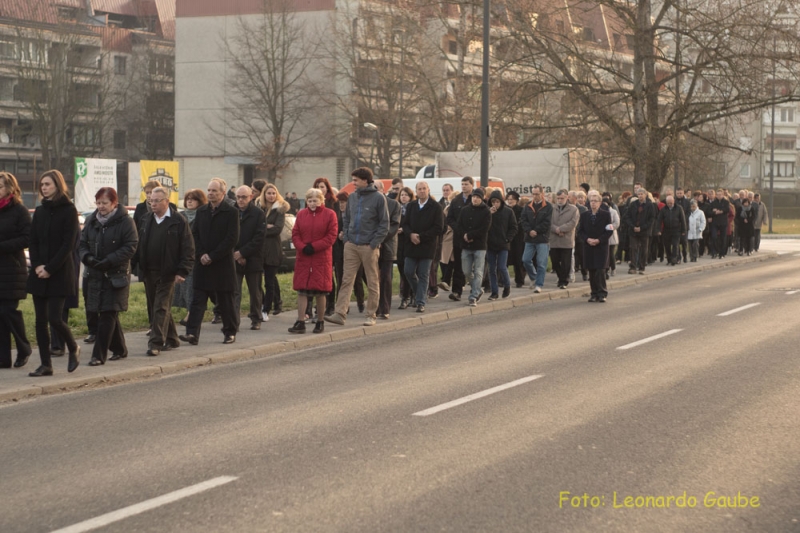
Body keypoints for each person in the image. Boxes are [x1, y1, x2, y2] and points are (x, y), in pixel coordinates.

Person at [26, 170, 81, 376]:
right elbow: (33, 241)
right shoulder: (40, 211)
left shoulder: (69, 210)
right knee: (40, 321)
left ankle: (73, 347)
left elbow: (68, 245)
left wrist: (50, 268)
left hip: (59, 272)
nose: (44, 188)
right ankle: (45, 365)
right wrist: (37, 265)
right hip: (39, 272)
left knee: (55, 318)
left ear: (58, 185)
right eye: (42, 185)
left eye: (47, 184)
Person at [79, 187, 138, 365]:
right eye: (98, 203)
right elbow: (82, 244)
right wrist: (88, 258)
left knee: (108, 313)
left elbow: (131, 246)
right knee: (105, 312)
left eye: (105, 203)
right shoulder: (91, 220)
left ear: (114, 203)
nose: (101, 206)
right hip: (95, 273)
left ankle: (98, 355)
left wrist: (110, 260)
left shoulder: (126, 222)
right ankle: (119, 348)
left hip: (116, 275)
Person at [324, 167, 389, 327]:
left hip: (369, 246)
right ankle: (340, 313)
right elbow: (346, 218)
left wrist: (374, 243)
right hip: (351, 245)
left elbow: (384, 224)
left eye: (355, 180)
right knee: (346, 280)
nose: (353, 183)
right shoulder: (352, 197)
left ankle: (371, 315)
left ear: (365, 180)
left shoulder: (379, 198)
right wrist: (347, 238)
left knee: (372, 281)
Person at [181, 177, 240, 345]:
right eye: (209, 190)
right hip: (203, 263)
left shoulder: (231, 212)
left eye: (214, 190)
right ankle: (192, 333)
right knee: (197, 300)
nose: (210, 193)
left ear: (223, 193)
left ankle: (229, 332)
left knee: (225, 301)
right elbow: (195, 235)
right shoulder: (202, 211)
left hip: (222, 264)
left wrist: (213, 256)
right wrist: (202, 254)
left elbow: (231, 238)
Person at [137, 186, 194, 356]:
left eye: (156, 201)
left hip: (168, 272)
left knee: (160, 307)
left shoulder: (178, 220)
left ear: (166, 201)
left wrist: (182, 271)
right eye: (151, 201)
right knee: (157, 306)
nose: (153, 204)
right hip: (149, 271)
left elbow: (188, 247)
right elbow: (140, 244)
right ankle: (172, 338)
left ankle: (155, 343)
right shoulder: (147, 219)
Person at [289, 188, 338, 334]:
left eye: (315, 201)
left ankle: (320, 321)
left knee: (320, 291)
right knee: (302, 290)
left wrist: (314, 246)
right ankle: (300, 321)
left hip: (321, 257)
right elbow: (295, 233)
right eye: (309, 201)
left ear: (321, 201)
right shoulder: (301, 214)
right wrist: (302, 247)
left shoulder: (330, 214)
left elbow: (331, 236)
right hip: (304, 257)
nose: (312, 204)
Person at [0, 172, 32, 369]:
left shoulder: (19, 210)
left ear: (10, 189)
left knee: (8, 311)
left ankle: (24, 347)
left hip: (12, 269)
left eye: (0, 186)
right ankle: (3, 357)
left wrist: (2, 247)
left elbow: (27, 237)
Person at [401, 181, 444, 312]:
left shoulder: (436, 207)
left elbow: (438, 228)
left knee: (423, 274)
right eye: (419, 189)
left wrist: (421, 236)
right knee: (408, 271)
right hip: (411, 245)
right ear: (416, 191)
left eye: (424, 188)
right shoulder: (411, 206)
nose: (422, 191)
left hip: (427, 245)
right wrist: (411, 235)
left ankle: (420, 302)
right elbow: (405, 224)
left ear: (428, 190)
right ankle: (420, 293)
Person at [233, 185, 266, 330]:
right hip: (234, 257)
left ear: (251, 197)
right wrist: (236, 253)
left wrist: (243, 253)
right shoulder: (231, 212)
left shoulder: (258, 214)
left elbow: (259, 237)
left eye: (244, 197)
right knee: (234, 291)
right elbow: (227, 234)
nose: (240, 200)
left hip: (253, 257)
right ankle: (234, 320)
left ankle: (256, 318)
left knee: (255, 291)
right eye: (238, 197)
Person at [173, 189, 206, 326]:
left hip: (197, 256)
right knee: (185, 286)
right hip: (182, 256)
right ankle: (190, 311)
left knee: (192, 287)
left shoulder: (203, 215)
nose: (190, 201)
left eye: (194, 199)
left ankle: (191, 314)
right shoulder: (180, 216)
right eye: (188, 199)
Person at [456, 187, 492, 307]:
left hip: (479, 245)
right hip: (466, 245)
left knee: (478, 271)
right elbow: (459, 225)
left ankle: (474, 296)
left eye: (477, 197)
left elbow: (485, 228)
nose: (475, 199)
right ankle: (478, 289)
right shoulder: (465, 210)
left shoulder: (486, 211)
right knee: (466, 271)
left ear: (482, 198)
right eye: (474, 197)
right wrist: (464, 235)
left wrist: (471, 235)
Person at [258, 184, 289, 319]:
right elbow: (254, 227)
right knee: (256, 281)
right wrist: (266, 226)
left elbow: (277, 229)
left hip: (273, 250)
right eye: (268, 193)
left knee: (269, 281)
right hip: (259, 249)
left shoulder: (280, 210)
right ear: (264, 194)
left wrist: (262, 228)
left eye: (273, 193)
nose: (271, 196)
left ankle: (266, 309)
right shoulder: (259, 208)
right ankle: (260, 305)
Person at [578, 192, 613, 302]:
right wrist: (587, 239)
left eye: (595, 201)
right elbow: (580, 231)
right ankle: (594, 293)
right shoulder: (584, 215)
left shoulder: (606, 214)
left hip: (601, 246)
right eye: (591, 201)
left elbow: (609, 231)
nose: (593, 203)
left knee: (600, 270)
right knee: (592, 270)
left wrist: (599, 240)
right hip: (588, 246)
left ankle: (602, 293)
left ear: (600, 203)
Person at [445, 177, 475, 301]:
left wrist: (471, 233)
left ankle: (476, 288)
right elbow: (450, 218)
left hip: (474, 239)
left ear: (472, 185)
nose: (463, 186)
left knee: (472, 267)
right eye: (462, 184)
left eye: (466, 184)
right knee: (458, 265)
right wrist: (459, 230)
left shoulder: (476, 199)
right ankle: (456, 291)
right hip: (458, 238)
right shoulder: (456, 200)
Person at [375, 181, 401, 319]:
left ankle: (385, 308)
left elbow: (394, 226)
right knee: (373, 277)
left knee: (385, 277)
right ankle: (374, 307)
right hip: (371, 246)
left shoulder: (393, 204)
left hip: (387, 246)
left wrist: (379, 239)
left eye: (376, 188)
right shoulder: (369, 204)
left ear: (382, 189)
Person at [313, 178, 339, 315]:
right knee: (318, 276)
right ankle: (319, 304)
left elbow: (337, 223)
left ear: (327, 188)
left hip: (333, 244)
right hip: (317, 245)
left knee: (330, 276)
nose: (320, 189)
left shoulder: (333, 203)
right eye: (317, 186)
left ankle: (330, 304)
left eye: (322, 186)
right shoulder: (312, 203)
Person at [485, 189, 517, 300]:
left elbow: (514, 227)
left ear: (501, 202)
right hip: (490, 244)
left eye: (497, 202)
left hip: (503, 244)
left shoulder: (508, 212)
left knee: (502, 267)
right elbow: (483, 225)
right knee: (491, 269)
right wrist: (489, 214)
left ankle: (507, 286)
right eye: (493, 202)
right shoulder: (487, 212)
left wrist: (508, 239)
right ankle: (494, 292)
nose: (495, 204)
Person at [520, 185, 552, 292]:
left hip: (542, 238)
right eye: (533, 194)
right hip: (529, 238)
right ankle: (534, 277)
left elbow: (547, 222)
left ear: (542, 194)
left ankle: (539, 284)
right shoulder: (528, 205)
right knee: (525, 260)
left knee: (541, 263)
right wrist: (529, 231)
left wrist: (536, 230)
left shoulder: (548, 206)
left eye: (537, 194)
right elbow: (523, 220)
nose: (535, 196)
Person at [549, 189, 580, 289]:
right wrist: (556, 229)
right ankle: (560, 277)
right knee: (554, 261)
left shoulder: (573, 209)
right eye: (558, 198)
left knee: (566, 262)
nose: (560, 200)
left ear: (567, 197)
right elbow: (548, 222)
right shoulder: (552, 208)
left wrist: (561, 229)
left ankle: (563, 281)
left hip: (566, 239)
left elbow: (573, 222)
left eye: (562, 198)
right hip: (554, 239)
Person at [625, 188, 655, 274]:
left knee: (644, 249)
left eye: (642, 194)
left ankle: (642, 267)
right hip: (633, 230)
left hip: (644, 231)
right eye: (639, 194)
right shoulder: (633, 204)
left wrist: (642, 228)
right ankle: (633, 267)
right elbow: (627, 216)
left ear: (645, 195)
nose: (640, 196)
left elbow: (651, 219)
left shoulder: (650, 205)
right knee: (633, 248)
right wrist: (632, 226)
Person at [395, 186, 415, 309]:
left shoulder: (413, 209)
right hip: (398, 244)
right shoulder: (396, 209)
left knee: (409, 272)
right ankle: (408, 294)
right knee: (402, 272)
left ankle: (407, 296)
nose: (403, 197)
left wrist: (405, 230)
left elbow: (415, 224)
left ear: (410, 197)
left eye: (406, 195)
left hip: (409, 243)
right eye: (402, 195)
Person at [656, 195, 687, 266]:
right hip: (666, 230)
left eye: (671, 203)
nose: (670, 204)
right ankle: (669, 259)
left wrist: (683, 230)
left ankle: (674, 258)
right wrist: (658, 230)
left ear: (674, 201)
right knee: (667, 245)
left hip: (676, 229)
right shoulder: (663, 209)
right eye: (668, 203)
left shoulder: (679, 208)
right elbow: (659, 220)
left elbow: (683, 220)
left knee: (675, 245)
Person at [505, 191, 525, 288]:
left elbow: (522, 223)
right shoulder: (505, 209)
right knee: (505, 259)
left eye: (512, 199)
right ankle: (503, 280)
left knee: (518, 260)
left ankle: (519, 280)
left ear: (516, 200)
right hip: (507, 237)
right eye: (508, 199)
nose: (510, 201)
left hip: (518, 238)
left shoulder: (521, 210)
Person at [709, 189, 730, 259]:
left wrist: (721, 211)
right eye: (717, 195)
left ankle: (722, 253)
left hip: (723, 222)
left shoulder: (726, 202)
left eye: (720, 194)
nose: (718, 196)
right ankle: (714, 252)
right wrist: (714, 212)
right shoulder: (713, 202)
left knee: (723, 238)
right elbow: (709, 211)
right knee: (714, 236)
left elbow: (727, 209)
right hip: (715, 222)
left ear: (723, 195)